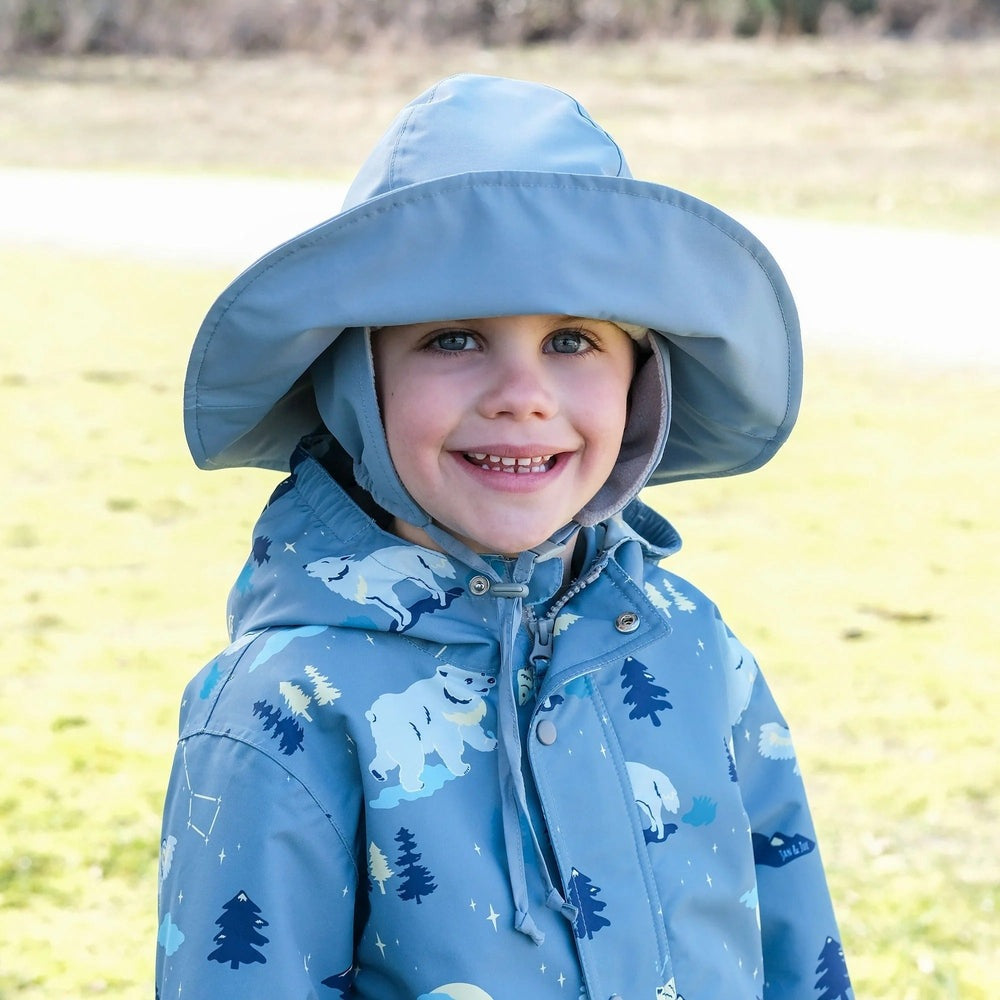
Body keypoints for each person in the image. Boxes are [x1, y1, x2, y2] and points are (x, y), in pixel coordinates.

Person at [156, 75, 852, 1000]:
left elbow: (799, 951)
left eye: (572, 340)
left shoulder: (691, 644)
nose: (522, 393)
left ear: (642, 382)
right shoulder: (283, 706)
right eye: (453, 339)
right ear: (356, 381)